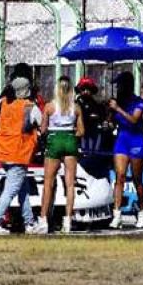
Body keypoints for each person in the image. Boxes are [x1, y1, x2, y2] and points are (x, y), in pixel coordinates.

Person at [0, 73, 44, 235]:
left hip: (3, 152)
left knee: (22, 188)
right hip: (19, 152)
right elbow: (42, 124)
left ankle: (29, 222)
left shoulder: (3, 103)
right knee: (11, 189)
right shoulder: (30, 107)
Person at [39, 76, 84, 234]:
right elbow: (81, 131)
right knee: (70, 184)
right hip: (70, 140)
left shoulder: (50, 107)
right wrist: (71, 134)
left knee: (48, 183)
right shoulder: (76, 108)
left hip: (54, 140)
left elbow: (43, 129)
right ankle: (68, 220)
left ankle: (43, 219)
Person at [108, 71, 143, 229]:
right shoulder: (117, 102)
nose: (118, 87)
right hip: (122, 139)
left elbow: (133, 120)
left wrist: (118, 109)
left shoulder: (138, 102)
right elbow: (112, 121)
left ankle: (142, 212)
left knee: (137, 178)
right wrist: (110, 116)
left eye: (120, 84)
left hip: (136, 140)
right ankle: (117, 213)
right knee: (120, 176)